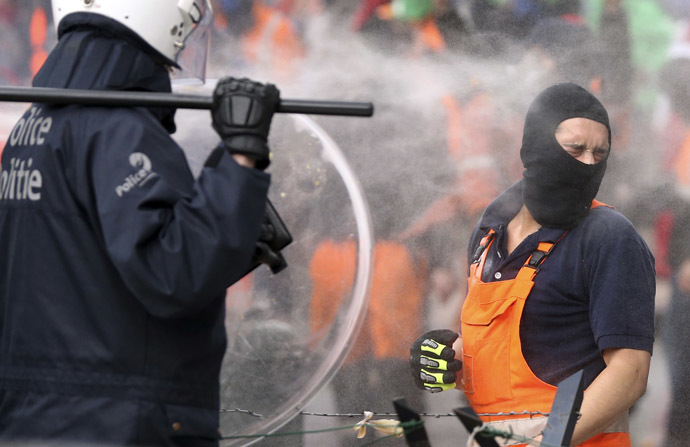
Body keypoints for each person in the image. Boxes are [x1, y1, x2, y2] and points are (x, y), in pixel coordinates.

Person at [0, 1, 282, 446]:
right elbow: (171, 273)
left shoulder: (34, 127)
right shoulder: (118, 128)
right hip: (121, 416)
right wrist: (241, 158)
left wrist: (225, 221)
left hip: (42, 413)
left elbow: (84, 267)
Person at [409, 83, 655, 446]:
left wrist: (550, 440)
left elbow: (630, 372)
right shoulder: (488, 231)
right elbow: (527, 341)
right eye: (575, 149)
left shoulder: (609, 237)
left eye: (598, 153)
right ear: (536, 146)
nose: (587, 163)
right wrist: (449, 357)